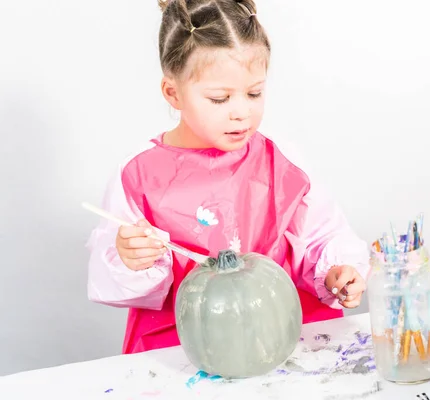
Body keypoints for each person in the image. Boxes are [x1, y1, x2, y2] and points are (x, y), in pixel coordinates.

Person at [86, 0, 370, 354]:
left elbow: (321, 235)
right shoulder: (139, 174)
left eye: (254, 93)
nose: (242, 113)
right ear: (173, 93)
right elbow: (114, 278)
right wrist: (130, 258)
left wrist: (337, 270)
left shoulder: (280, 159)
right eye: (219, 99)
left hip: (275, 333)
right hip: (187, 345)